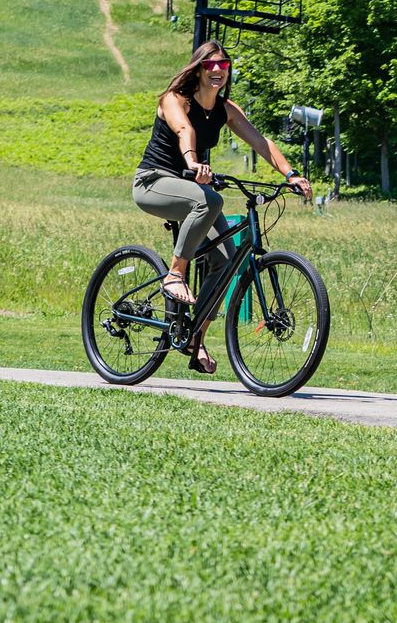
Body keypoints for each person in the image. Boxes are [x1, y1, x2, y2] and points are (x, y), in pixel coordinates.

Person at [131, 40, 312, 374]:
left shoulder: (226, 109)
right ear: (198, 69)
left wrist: (291, 174)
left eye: (224, 65)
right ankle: (175, 273)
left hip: (191, 188)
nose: (217, 71)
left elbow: (261, 142)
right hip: (154, 182)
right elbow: (184, 129)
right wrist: (193, 162)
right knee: (210, 200)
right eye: (210, 65)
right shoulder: (174, 100)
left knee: (226, 261)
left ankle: (194, 338)